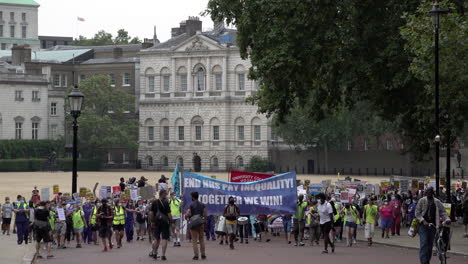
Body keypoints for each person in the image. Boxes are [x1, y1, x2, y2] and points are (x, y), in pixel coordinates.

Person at [415, 187, 450, 264]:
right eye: (427, 194)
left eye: (430, 194)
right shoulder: (422, 201)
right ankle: (424, 262)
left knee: (430, 245)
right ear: (425, 194)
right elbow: (417, 213)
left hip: (433, 226)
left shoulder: (437, 202)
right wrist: (423, 220)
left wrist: (447, 219)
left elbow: (443, 212)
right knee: (424, 243)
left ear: (432, 194)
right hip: (423, 226)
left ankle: (427, 260)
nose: (428, 196)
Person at [150, 189, 172, 261]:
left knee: (156, 238)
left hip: (156, 222)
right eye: (165, 194)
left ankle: (155, 252)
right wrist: (171, 221)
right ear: (162, 194)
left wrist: (152, 221)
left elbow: (151, 213)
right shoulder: (166, 203)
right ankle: (163, 255)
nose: (166, 195)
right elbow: (169, 214)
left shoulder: (154, 202)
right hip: (164, 222)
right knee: (164, 238)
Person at [185, 191, 207, 260]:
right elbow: (205, 213)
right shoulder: (202, 204)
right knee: (201, 239)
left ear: (193, 197)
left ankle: (196, 255)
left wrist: (186, 216)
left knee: (194, 240)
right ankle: (203, 255)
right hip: (200, 223)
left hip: (194, 224)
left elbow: (188, 213)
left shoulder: (191, 205)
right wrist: (204, 221)